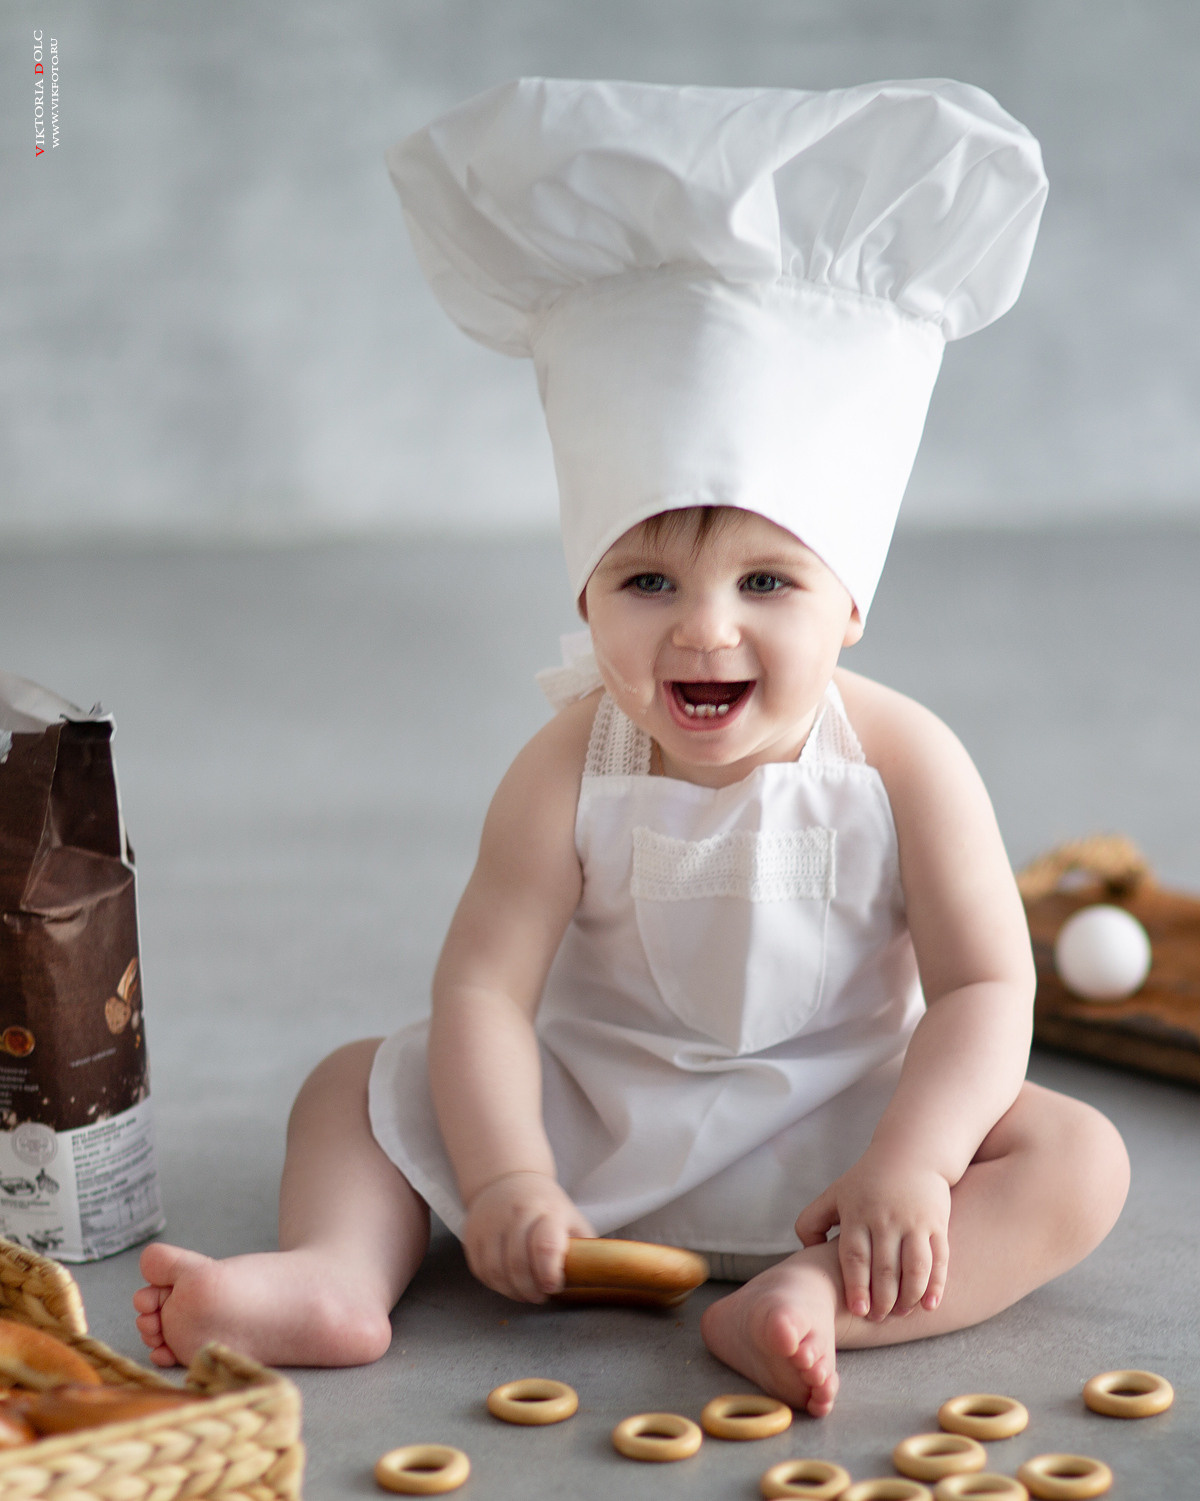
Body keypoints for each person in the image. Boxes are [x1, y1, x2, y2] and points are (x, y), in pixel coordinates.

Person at [134, 78, 1129, 1414]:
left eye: (767, 583)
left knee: (1079, 1157)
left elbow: (984, 992)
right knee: (350, 1086)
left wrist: (912, 1158)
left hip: (849, 1126)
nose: (704, 631)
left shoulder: (905, 761)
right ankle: (335, 1275)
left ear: (851, 604)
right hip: (593, 1121)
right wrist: (505, 1178)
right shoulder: (567, 768)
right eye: (647, 582)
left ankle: (816, 1294)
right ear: (586, 596)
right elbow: (487, 990)